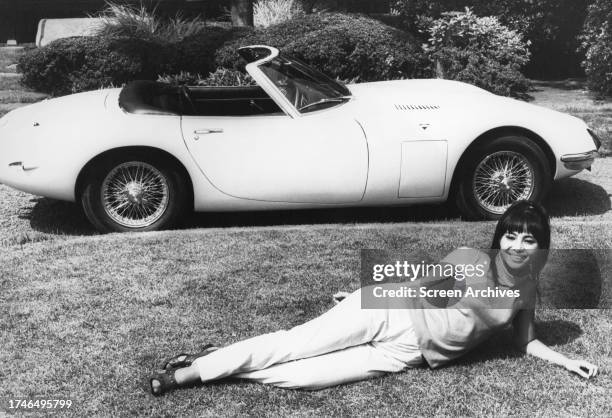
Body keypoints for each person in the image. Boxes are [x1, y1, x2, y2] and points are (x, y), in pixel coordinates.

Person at [149, 201, 598, 396]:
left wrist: (565, 361)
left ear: (542, 247)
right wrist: (363, 296)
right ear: (500, 239)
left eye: (529, 240)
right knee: (294, 343)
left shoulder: (528, 292)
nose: (519, 246)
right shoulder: (470, 261)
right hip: (392, 314)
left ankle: (223, 361)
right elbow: (425, 286)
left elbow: (525, 342)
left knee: (306, 379)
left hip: (409, 357)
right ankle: (188, 374)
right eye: (512, 236)